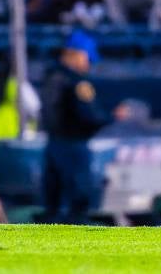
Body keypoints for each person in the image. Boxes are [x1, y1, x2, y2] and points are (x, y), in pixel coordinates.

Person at [40, 30, 128, 224]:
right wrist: (111, 117)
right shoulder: (76, 82)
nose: (89, 64)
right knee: (78, 202)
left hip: (53, 144)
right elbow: (89, 116)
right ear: (78, 54)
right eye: (87, 58)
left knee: (53, 203)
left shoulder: (50, 77)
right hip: (73, 146)